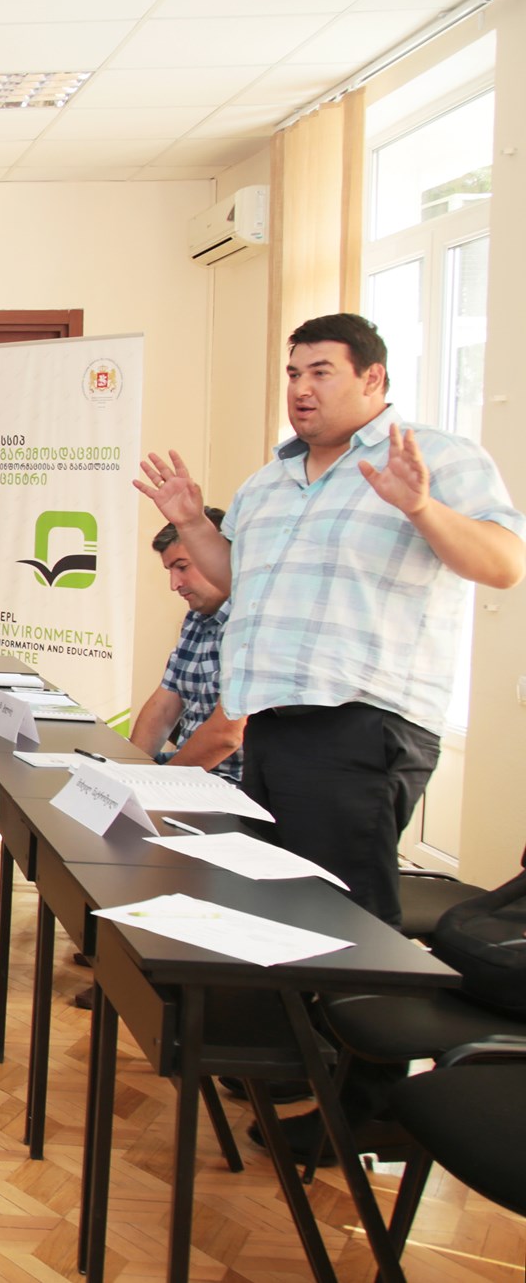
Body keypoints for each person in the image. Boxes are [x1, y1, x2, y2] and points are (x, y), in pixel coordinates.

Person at [137, 314, 524, 1154]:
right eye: (293, 373)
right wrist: (193, 522)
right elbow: (242, 582)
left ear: (373, 379)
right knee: (281, 909)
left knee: (352, 922)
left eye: (321, 371)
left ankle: (371, 1110)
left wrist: (420, 506)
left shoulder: (432, 456)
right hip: (274, 722)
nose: (301, 389)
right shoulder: (268, 483)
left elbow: (502, 562)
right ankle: (300, 1064)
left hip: (363, 721)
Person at [126, 507, 243, 784]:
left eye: (182, 567)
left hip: (228, 783)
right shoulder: (196, 618)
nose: (174, 584)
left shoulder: (250, 624)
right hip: (186, 773)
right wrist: (128, 770)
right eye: (170, 571)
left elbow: (227, 736)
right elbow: (164, 706)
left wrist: (156, 785)